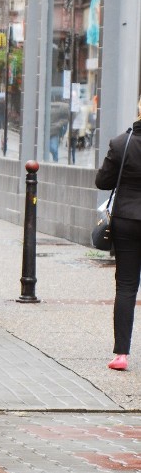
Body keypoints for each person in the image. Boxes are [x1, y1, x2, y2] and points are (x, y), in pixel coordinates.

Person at [95, 95, 141, 371]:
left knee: (126, 286)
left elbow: (103, 181)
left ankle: (121, 354)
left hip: (126, 219)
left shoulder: (121, 144)